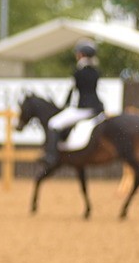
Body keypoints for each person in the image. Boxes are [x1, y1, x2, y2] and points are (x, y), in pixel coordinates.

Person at [43, 38, 104, 167]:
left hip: (83, 109)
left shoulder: (78, 72)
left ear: (81, 54)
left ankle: (51, 156)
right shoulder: (96, 71)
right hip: (97, 107)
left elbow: (73, 93)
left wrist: (65, 105)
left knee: (54, 123)